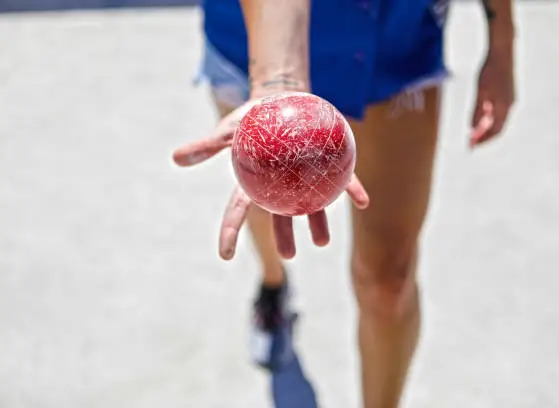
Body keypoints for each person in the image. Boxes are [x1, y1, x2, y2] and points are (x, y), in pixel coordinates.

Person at [173, 0, 516, 406]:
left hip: (396, 38)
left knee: (390, 279)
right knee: (266, 201)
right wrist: (279, 86)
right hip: (254, 34)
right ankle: (273, 283)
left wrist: (502, 39)